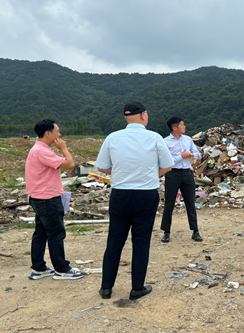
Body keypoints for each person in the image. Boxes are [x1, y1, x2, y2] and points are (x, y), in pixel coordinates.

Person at [96, 102, 174, 300]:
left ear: (126, 117)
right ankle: (137, 287)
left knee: (114, 240)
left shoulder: (113, 137)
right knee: (141, 242)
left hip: (120, 194)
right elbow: (167, 166)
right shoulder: (154, 137)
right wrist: (146, 173)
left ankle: (106, 288)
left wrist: (123, 172)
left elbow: (102, 167)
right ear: (143, 115)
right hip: (145, 194)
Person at [25, 119, 84, 280]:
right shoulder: (42, 151)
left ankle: (39, 268)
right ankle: (62, 269)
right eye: (57, 131)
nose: (60, 134)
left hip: (39, 198)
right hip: (47, 199)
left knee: (41, 233)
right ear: (48, 133)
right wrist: (64, 148)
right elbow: (70, 164)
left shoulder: (39, 149)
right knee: (56, 234)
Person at [160, 117, 202, 243]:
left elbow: (199, 154)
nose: (184, 127)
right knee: (169, 203)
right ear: (175, 128)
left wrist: (191, 155)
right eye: (182, 125)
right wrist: (181, 156)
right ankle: (166, 232)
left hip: (187, 173)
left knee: (190, 203)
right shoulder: (165, 142)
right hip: (172, 173)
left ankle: (195, 231)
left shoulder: (188, 139)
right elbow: (166, 162)